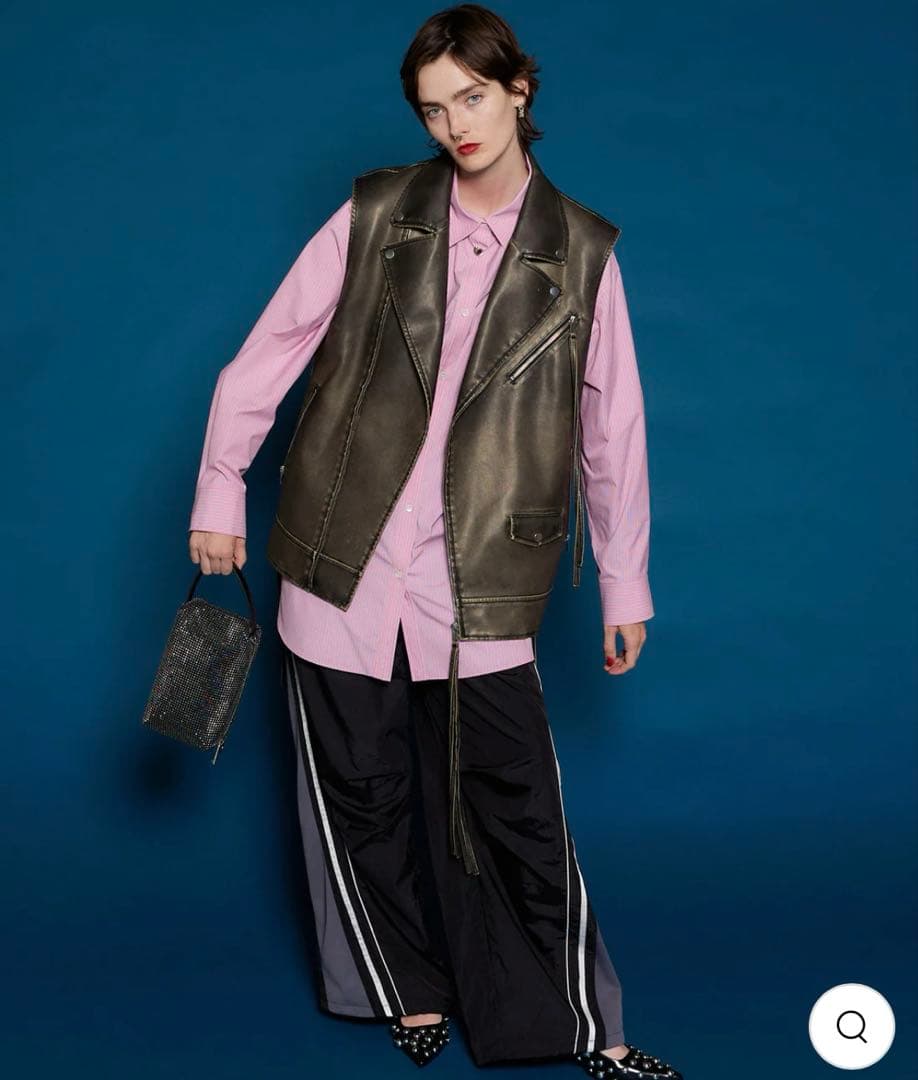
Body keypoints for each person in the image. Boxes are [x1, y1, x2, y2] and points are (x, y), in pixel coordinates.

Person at [187, 5, 681, 1078]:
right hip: (340, 551)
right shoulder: (377, 212)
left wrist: (624, 583)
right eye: (432, 108)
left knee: (515, 804)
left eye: (472, 96)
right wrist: (219, 489)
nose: (455, 125)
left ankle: (584, 1027)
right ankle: (403, 989)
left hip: (483, 566)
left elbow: (613, 431)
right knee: (360, 791)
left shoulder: (583, 252)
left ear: (518, 92)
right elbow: (269, 351)